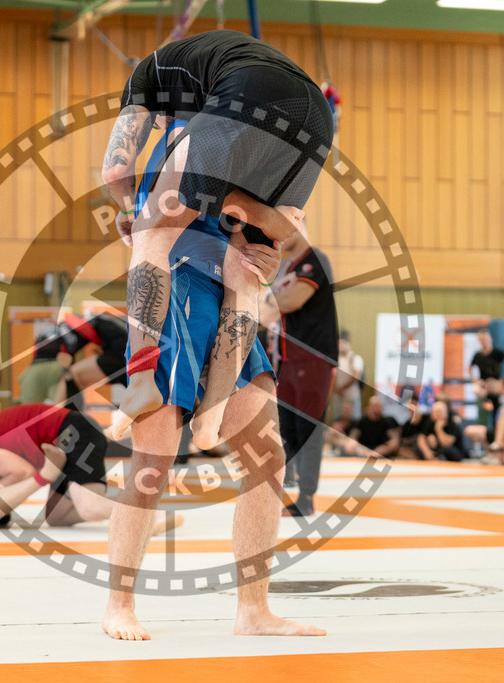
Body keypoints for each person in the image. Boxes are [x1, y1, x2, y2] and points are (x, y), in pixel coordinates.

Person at [102, 115, 322, 641]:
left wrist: (270, 248)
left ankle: (253, 609)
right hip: (178, 285)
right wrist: (132, 212)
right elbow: (124, 182)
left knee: (267, 458)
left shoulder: (262, 138)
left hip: (236, 293)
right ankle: (118, 604)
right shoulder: (190, 127)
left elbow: (288, 237)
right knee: (154, 454)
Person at [102, 29, 332, 452]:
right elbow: (274, 235)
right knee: (251, 260)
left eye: (158, 122)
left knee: (154, 229)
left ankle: (139, 380)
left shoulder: (144, 80)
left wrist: (131, 214)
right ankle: (212, 414)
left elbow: (115, 172)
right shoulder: (202, 69)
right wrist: (265, 233)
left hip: (248, 90)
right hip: (316, 115)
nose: (161, 127)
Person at [0, 403, 181, 533]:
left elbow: (23, 472)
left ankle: (150, 515)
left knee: (89, 508)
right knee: (57, 517)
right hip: (65, 440)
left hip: (70, 431)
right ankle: (125, 505)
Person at [260, 223, 338, 516]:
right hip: (287, 360)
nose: (278, 239)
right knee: (288, 426)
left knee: (308, 427)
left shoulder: (315, 261)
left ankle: (307, 497)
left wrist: (265, 298)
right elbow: (269, 312)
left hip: (313, 358)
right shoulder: (287, 269)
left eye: (282, 232)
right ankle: (288, 484)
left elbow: (291, 301)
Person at [52, 312, 129, 409]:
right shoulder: (101, 321)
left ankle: (55, 416)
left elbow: (73, 343)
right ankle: (66, 415)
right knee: (77, 380)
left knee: (72, 374)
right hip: (126, 356)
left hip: (119, 355)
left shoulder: (78, 324)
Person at [469, 330, 504, 439]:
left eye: (485, 339)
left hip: (496, 388)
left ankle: (497, 435)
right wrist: (475, 380)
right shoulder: (478, 355)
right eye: (481, 340)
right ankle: (484, 433)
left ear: (490, 339)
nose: (483, 342)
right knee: (481, 405)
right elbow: (470, 368)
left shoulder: (497, 353)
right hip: (484, 389)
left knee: (497, 413)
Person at [16, 324, 65, 404]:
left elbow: (20, 379)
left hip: (35, 368)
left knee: (30, 407)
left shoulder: (40, 337)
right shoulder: (60, 334)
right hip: (56, 365)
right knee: (59, 406)